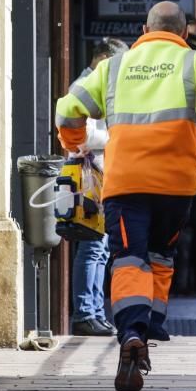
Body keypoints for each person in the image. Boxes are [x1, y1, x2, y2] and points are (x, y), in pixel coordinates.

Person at [56, 1, 196, 391]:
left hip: (126, 186)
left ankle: (131, 333)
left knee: (128, 260)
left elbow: (68, 108)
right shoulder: (195, 60)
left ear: (144, 28)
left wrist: (73, 144)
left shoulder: (114, 67)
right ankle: (152, 324)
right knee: (160, 256)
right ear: (185, 32)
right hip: (177, 189)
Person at [71, 38, 129, 337]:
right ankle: (84, 312)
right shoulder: (84, 87)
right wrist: (119, 135)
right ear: (104, 58)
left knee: (101, 248)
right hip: (90, 177)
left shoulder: (98, 86)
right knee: (93, 247)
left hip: (102, 176)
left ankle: (94, 311)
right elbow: (83, 136)